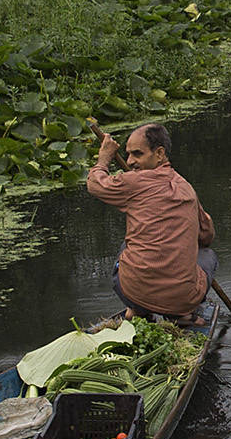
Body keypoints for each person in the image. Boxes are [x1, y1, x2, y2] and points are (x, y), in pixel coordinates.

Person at [84, 122, 215, 322]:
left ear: (160, 153)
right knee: (207, 254)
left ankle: (138, 309)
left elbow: (94, 183)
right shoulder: (186, 187)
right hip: (184, 299)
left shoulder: (132, 182)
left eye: (137, 154)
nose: (131, 161)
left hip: (133, 292)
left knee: (125, 247)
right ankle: (181, 314)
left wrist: (104, 157)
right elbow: (206, 236)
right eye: (128, 155)